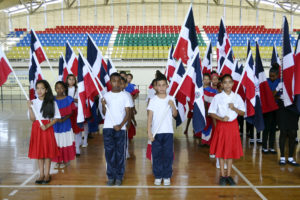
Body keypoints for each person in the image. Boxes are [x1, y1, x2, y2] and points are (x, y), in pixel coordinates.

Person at [209, 74, 245, 186]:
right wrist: (221, 118)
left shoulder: (237, 97)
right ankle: (222, 175)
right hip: (222, 126)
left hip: (233, 126)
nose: (227, 84)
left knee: (230, 152)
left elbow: (243, 112)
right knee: (221, 151)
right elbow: (211, 112)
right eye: (225, 82)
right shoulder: (217, 97)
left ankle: (229, 175)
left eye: (230, 82)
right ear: (222, 84)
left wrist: (234, 108)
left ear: (233, 84)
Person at [27, 80, 61, 184]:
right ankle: (40, 174)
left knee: (47, 153)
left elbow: (56, 118)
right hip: (37, 129)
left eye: (42, 88)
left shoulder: (52, 102)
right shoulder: (33, 102)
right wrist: (30, 108)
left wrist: (47, 125)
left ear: (46, 90)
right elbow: (33, 119)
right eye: (37, 88)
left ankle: (47, 174)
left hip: (47, 128)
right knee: (39, 153)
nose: (39, 90)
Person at [147, 75, 178, 186]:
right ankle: (158, 175)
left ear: (167, 86)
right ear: (156, 87)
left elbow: (175, 115)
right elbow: (150, 117)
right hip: (156, 133)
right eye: (159, 85)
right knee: (157, 155)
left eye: (163, 85)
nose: (161, 87)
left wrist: (173, 106)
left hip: (168, 132)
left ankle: (167, 175)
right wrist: (149, 132)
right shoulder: (153, 100)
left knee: (168, 155)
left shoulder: (171, 99)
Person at [101, 72, 131, 186]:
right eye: (114, 81)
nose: (116, 83)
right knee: (109, 153)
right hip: (108, 128)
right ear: (110, 82)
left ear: (121, 82)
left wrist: (121, 124)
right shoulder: (106, 96)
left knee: (120, 153)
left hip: (121, 129)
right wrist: (103, 105)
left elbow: (128, 113)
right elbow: (104, 113)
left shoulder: (125, 96)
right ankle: (111, 176)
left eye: (119, 81)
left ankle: (119, 176)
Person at [276, 78, 300, 166]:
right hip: (283, 107)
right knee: (283, 132)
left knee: (293, 132)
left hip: (293, 107)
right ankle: (282, 157)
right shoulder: (281, 83)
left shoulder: (297, 82)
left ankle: (290, 157)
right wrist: (279, 96)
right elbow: (273, 94)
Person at [52, 81, 76, 168]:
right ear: (55, 89)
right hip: (55, 124)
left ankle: (66, 159)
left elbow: (71, 111)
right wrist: (56, 119)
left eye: (61, 87)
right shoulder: (52, 99)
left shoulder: (68, 99)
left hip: (65, 123)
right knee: (57, 141)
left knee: (65, 141)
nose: (59, 89)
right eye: (57, 88)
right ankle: (58, 160)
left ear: (64, 89)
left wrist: (63, 119)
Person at [262, 65, 280, 154]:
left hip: (276, 108)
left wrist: (275, 95)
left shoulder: (280, 82)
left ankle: (272, 147)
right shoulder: (266, 82)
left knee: (273, 128)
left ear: (277, 75)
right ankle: (264, 146)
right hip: (268, 108)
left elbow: (279, 96)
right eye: (270, 75)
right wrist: (275, 95)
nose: (271, 77)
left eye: (273, 76)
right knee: (267, 128)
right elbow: (270, 95)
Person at [65, 74, 84, 156]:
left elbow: (80, 100)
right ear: (67, 80)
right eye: (70, 79)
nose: (71, 81)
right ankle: (69, 147)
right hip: (67, 111)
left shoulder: (78, 88)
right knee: (69, 130)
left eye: (73, 79)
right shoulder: (64, 89)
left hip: (76, 111)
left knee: (77, 130)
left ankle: (77, 148)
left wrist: (71, 99)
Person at [120, 76, 135, 159]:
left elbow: (129, 110)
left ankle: (125, 152)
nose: (120, 85)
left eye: (122, 83)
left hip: (124, 121)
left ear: (125, 85)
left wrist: (129, 122)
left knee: (124, 138)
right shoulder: (110, 94)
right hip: (114, 122)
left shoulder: (127, 94)